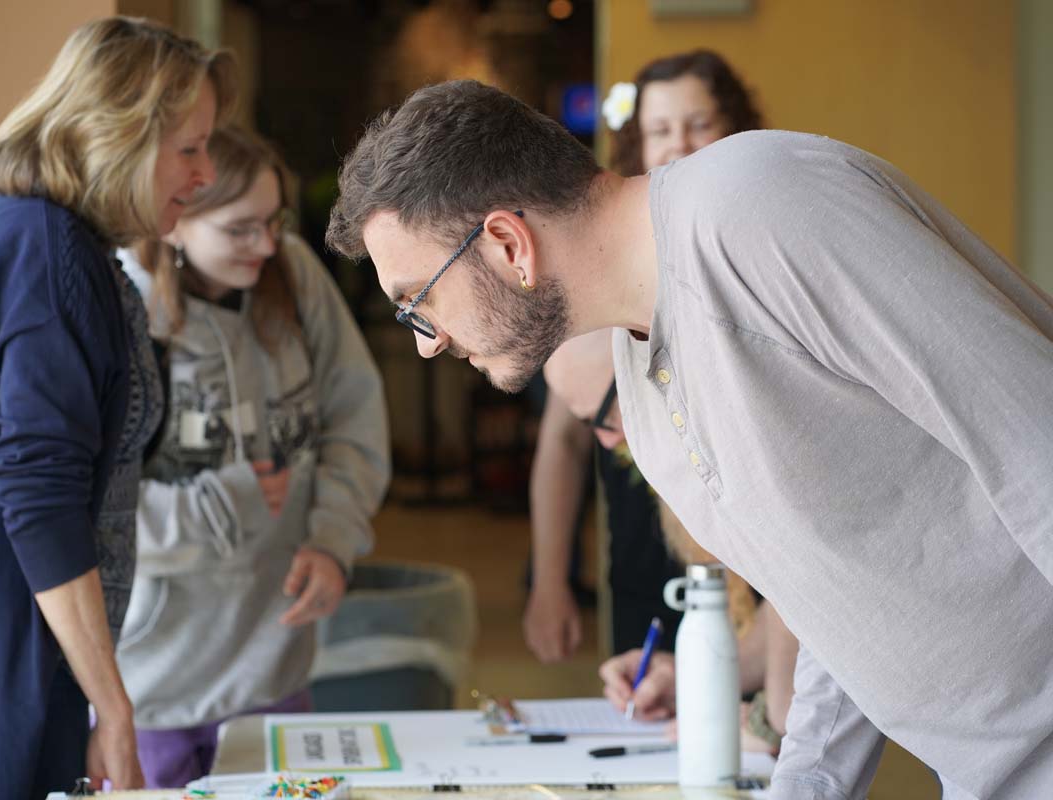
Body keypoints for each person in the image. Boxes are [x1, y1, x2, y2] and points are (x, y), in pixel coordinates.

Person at [324, 79, 1053, 799]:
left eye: (417, 302)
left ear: (509, 244)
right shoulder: (638, 385)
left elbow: (1033, 442)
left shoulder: (757, 206)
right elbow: (842, 598)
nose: (428, 342)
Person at [0, 17, 236, 798]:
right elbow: (40, 494)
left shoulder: (52, 242)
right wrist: (114, 710)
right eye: (189, 148)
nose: (203, 176)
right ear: (118, 136)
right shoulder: (46, 251)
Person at [115, 126, 390, 787]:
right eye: (240, 229)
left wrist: (332, 539)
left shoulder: (291, 273)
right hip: (154, 681)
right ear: (175, 221)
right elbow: (85, 510)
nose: (266, 245)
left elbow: (355, 414)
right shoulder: (125, 307)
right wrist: (222, 504)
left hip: (274, 663)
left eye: (274, 221)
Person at [524, 49, 764, 664]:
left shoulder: (763, 245)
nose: (679, 145)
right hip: (647, 560)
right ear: (637, 143)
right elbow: (565, 439)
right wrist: (550, 580)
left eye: (699, 124)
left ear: (736, 127)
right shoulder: (608, 267)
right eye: (660, 130)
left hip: (765, 558)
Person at [543, 328, 794, 755]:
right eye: (588, 425)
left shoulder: (759, 441)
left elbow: (807, 596)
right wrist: (695, 676)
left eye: (604, 415)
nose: (605, 441)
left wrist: (772, 724)